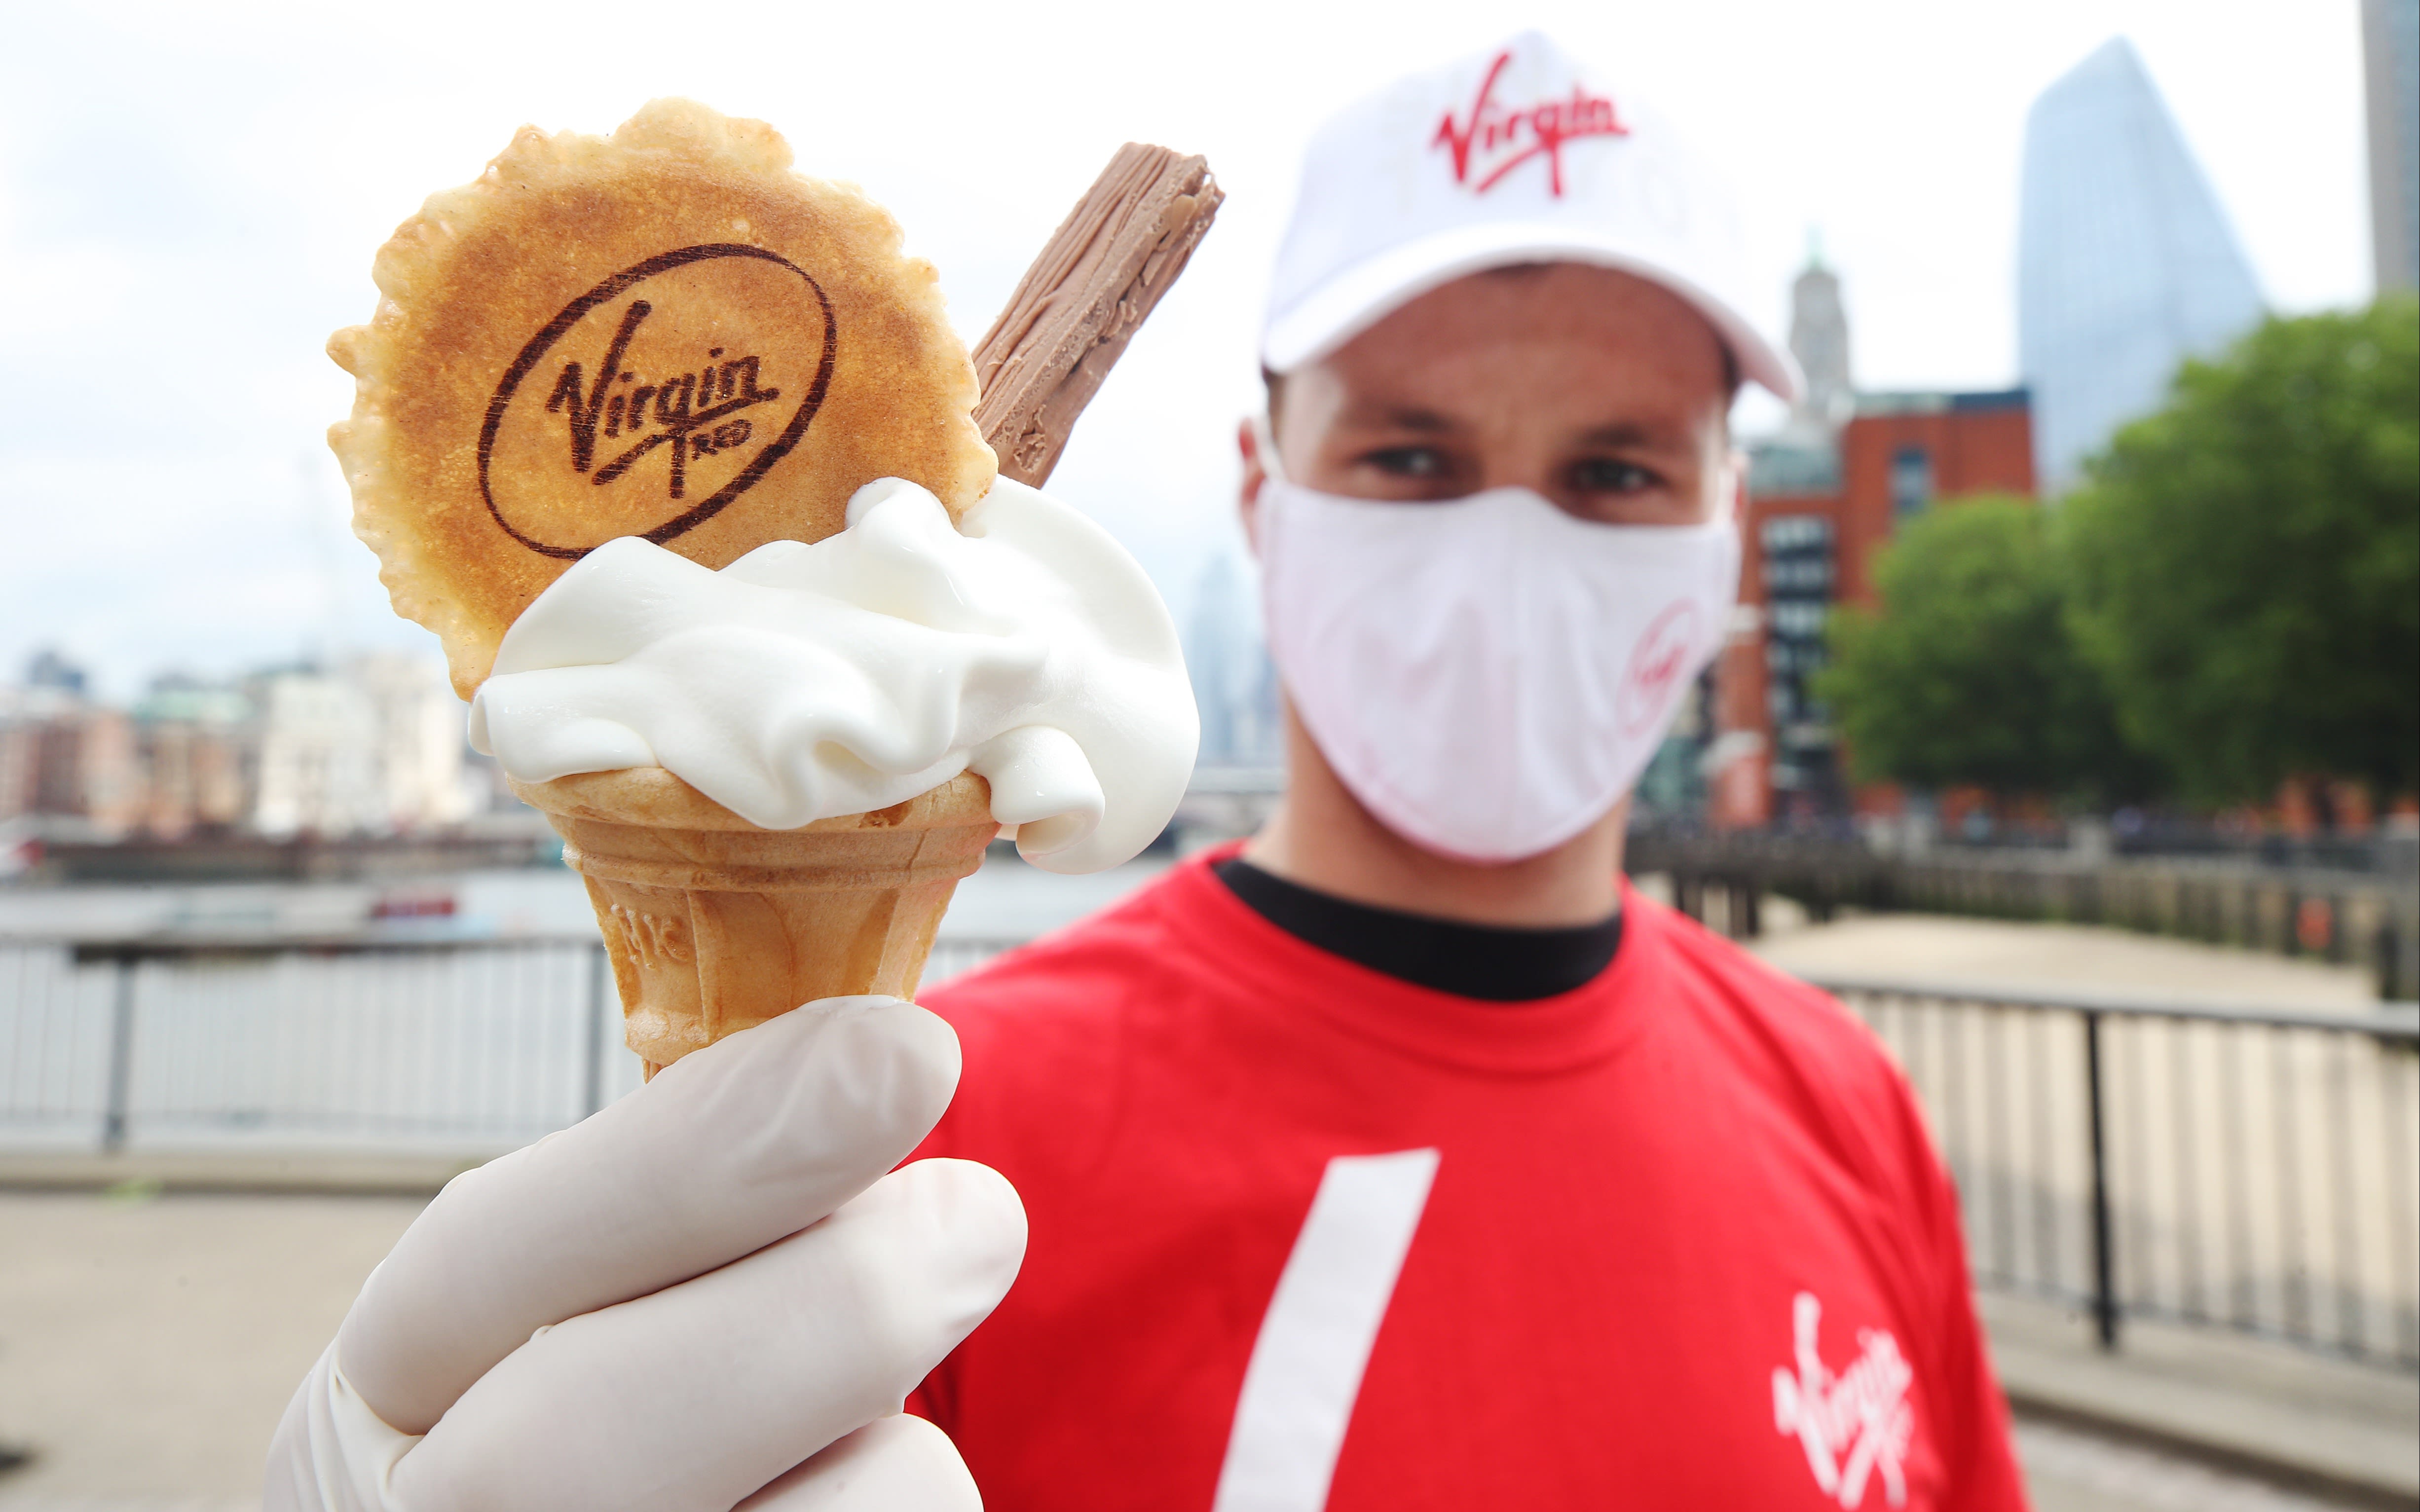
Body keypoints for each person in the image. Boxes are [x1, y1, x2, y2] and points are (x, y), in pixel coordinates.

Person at [266, 32, 2026, 1512]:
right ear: (1266, 497)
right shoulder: (914, 1151)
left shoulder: (1853, 1112)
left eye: (1621, 471)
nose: (1510, 542)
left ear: (1729, 532)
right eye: (1411, 454)